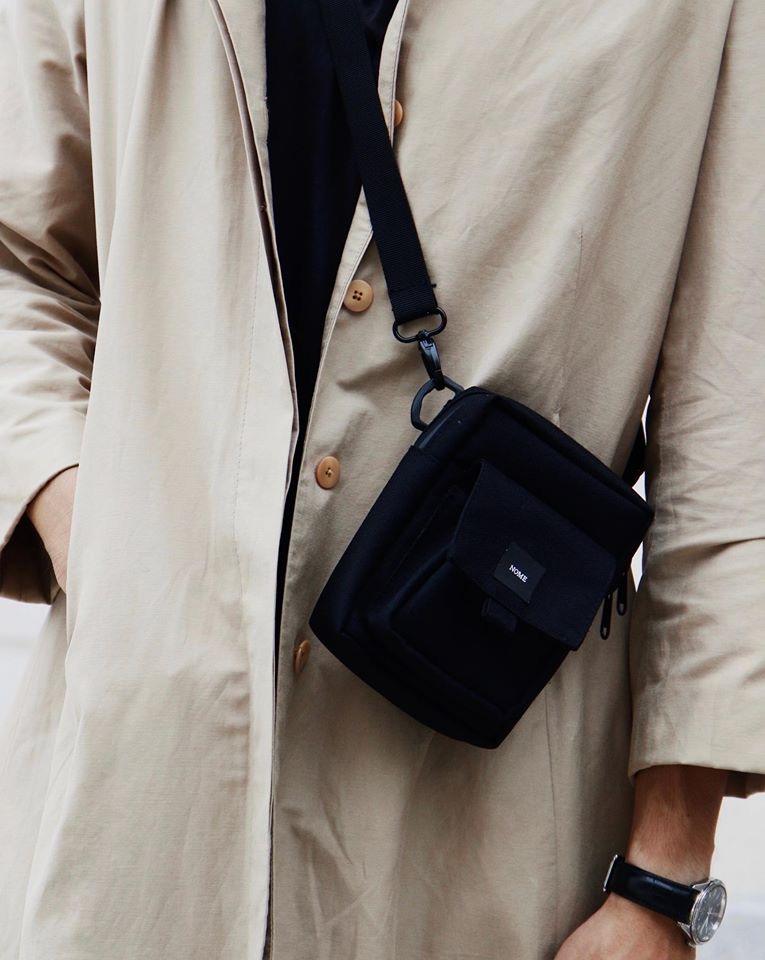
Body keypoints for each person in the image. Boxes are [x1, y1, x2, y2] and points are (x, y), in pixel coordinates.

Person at [0, 0, 763, 958]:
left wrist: (662, 884)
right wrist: (86, 528)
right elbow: (22, 265)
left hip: (485, 831)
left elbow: (735, 433)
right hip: (140, 807)